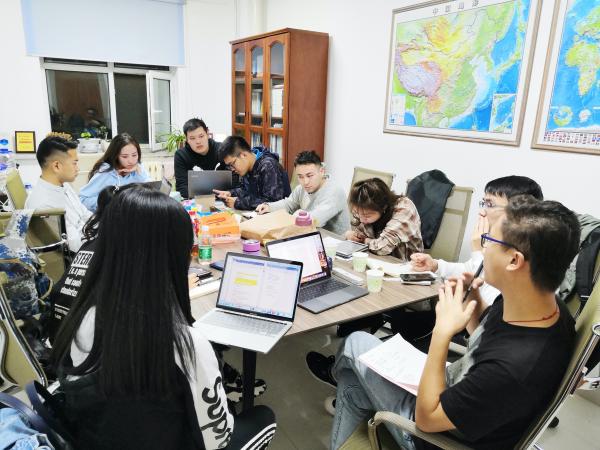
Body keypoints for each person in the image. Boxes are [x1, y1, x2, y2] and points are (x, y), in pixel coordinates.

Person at [328, 195, 579, 450]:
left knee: (355, 343)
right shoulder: (542, 305)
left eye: (489, 241)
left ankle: (335, 375)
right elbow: (487, 335)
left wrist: (441, 333)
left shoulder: (513, 368)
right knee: (352, 385)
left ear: (514, 261)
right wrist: (473, 297)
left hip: (434, 437)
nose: (482, 249)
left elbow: (426, 420)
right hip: (461, 391)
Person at [51, 186, 276, 450]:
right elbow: (218, 439)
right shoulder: (186, 344)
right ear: (175, 257)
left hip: (100, 438)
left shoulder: (83, 317)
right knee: (264, 417)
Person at [411, 175, 544, 305]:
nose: (482, 212)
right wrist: (436, 266)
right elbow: (471, 270)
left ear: (518, 212)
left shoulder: (522, 253)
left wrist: (478, 252)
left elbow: (490, 303)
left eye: (490, 204)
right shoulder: (498, 241)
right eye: (484, 203)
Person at [256, 151, 349, 235]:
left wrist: (297, 215)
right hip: (311, 236)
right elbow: (289, 204)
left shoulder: (334, 192)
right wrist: (269, 207)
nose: (305, 182)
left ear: (322, 171)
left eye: (309, 175)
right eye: (300, 177)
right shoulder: (302, 188)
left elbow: (316, 220)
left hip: (336, 243)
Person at [25, 136, 92, 252]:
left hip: (89, 239)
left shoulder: (64, 185)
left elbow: (85, 214)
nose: (78, 168)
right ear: (57, 166)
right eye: (74, 163)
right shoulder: (44, 206)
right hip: (77, 254)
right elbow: (75, 245)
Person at [346, 178, 423, 261]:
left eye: (367, 216)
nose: (361, 220)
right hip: (376, 260)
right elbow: (358, 235)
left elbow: (382, 248)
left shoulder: (404, 208)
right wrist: (351, 235)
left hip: (405, 264)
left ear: (383, 207)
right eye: (357, 213)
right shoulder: (365, 210)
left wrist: (363, 241)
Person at [214, 136, 291, 210]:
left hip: (278, 216)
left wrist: (238, 202)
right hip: (256, 215)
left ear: (243, 155)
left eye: (232, 164)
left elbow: (272, 203)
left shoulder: (268, 165)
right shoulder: (247, 166)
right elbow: (245, 189)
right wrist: (230, 193)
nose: (232, 169)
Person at [79, 132, 150, 211]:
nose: (131, 161)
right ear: (116, 156)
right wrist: (111, 204)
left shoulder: (138, 168)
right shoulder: (106, 173)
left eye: (134, 155)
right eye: (124, 156)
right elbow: (83, 199)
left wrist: (139, 173)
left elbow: (150, 195)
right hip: (111, 216)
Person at [174, 118, 225, 198]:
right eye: (192, 138)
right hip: (195, 201)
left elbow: (234, 182)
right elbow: (181, 188)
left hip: (223, 199)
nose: (198, 141)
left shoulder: (222, 150)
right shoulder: (181, 155)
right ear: (186, 139)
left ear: (207, 133)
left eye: (201, 136)